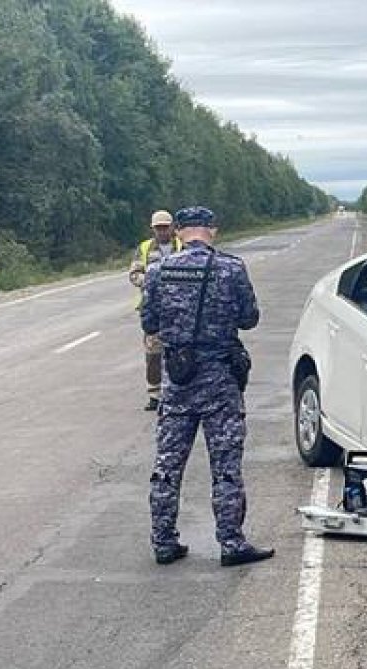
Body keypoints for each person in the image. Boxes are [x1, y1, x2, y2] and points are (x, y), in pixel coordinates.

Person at [141, 206, 274, 567]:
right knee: (225, 465)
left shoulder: (158, 271)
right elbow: (249, 319)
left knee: (168, 464)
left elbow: (149, 323)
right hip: (220, 382)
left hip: (178, 381)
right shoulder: (231, 268)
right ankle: (231, 543)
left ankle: (163, 542)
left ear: (179, 231)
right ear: (212, 230)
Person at [129, 210, 183, 411]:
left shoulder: (183, 246)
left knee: (181, 349)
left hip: (180, 307)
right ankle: (154, 394)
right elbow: (134, 274)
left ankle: (180, 390)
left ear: (172, 227)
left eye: (165, 227)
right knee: (153, 353)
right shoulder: (144, 248)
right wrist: (152, 282)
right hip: (154, 308)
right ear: (152, 229)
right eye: (158, 228)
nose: (162, 231)